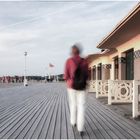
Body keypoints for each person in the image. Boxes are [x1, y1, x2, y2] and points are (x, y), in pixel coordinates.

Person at [64, 44, 88, 136]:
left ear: (72, 52)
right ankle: (80, 128)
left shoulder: (69, 61)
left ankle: (73, 122)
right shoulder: (84, 61)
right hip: (82, 87)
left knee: (73, 104)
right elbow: (87, 75)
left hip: (71, 86)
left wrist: (70, 81)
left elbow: (66, 76)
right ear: (79, 52)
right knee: (81, 106)